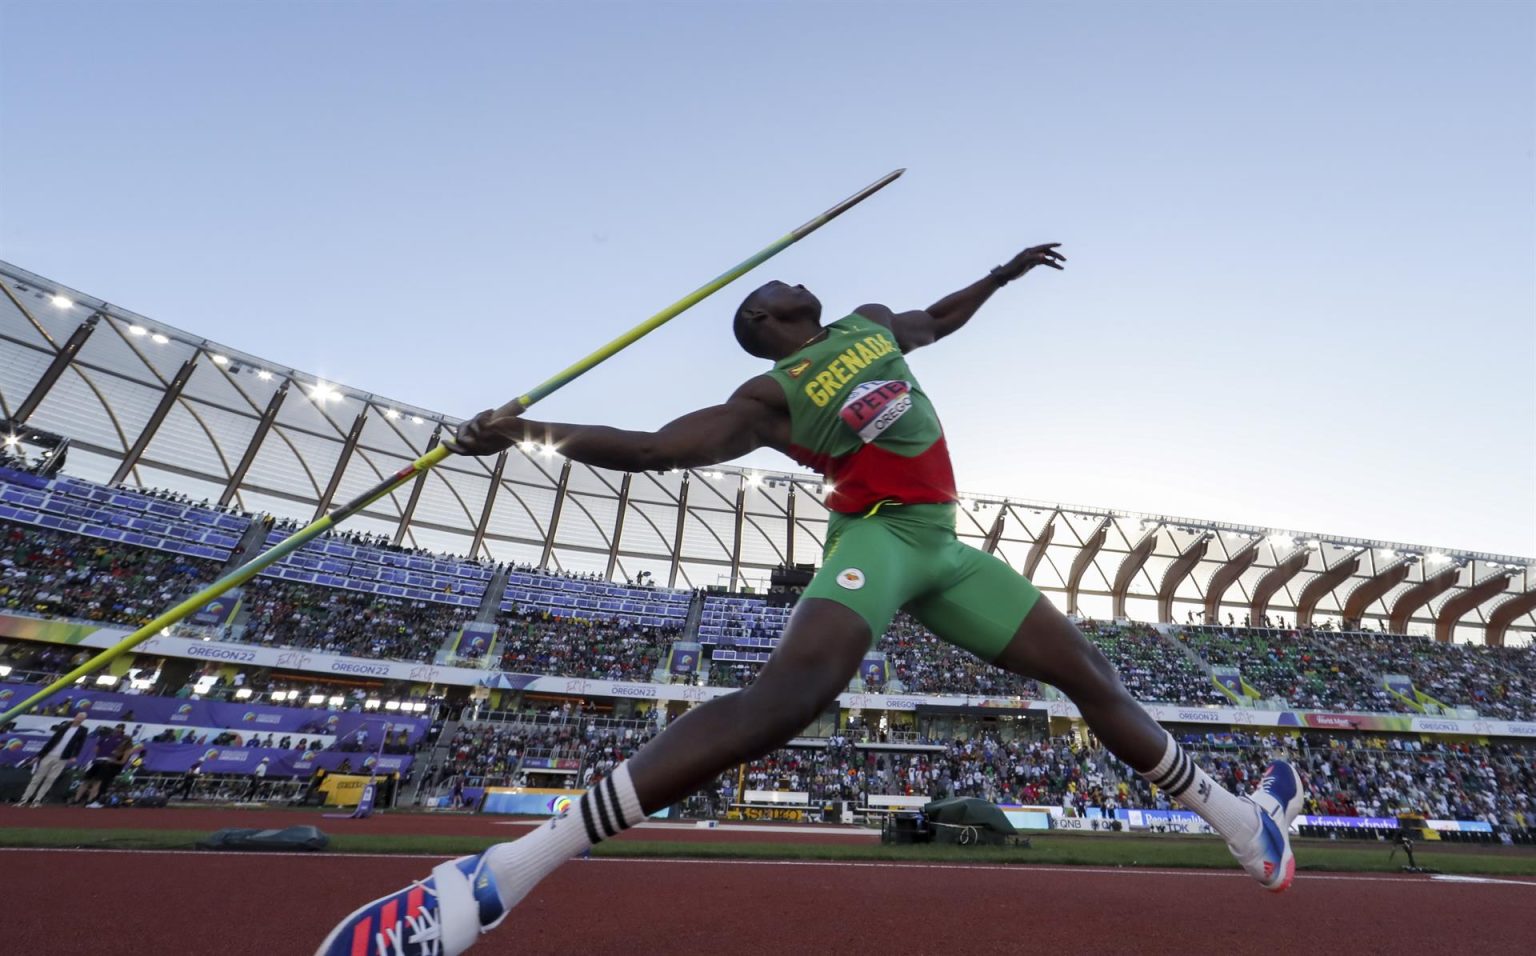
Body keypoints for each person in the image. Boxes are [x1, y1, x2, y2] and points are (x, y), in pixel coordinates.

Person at [318, 244, 1304, 956]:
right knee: (790, 699)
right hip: (875, 539)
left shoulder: (869, 324)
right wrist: (528, 429)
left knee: (1094, 674)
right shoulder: (770, 396)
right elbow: (660, 448)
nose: (797, 278)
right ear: (762, 323)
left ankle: (1241, 822)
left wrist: (998, 279)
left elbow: (935, 322)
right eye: (777, 288)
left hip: (946, 547)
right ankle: (489, 879)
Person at [16, 711, 88, 807]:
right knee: (37, 778)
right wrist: (39, 756)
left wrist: (74, 756)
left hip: (63, 758)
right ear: (75, 717)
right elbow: (52, 741)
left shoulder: (83, 730)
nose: (79, 719)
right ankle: (24, 799)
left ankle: (37, 800)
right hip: (49, 755)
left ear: (83, 720)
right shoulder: (65, 726)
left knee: (50, 779)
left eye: (81, 718)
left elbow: (80, 744)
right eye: (78, 717)